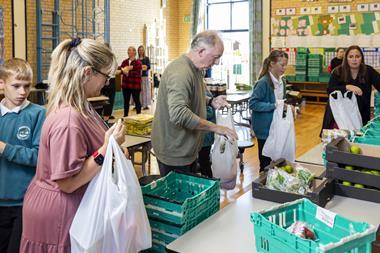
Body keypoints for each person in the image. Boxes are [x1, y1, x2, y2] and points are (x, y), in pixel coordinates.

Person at [20, 38, 126, 252]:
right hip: (58, 213)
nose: (107, 83)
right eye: (106, 76)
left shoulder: (83, 106)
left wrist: (114, 150)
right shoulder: (68, 120)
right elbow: (67, 183)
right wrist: (105, 151)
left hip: (70, 206)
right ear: (88, 72)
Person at [151, 30, 237, 176]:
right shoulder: (180, 72)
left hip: (187, 148)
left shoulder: (196, 69)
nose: (216, 62)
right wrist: (215, 128)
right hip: (175, 152)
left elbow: (192, 96)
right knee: (179, 197)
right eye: (216, 57)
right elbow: (179, 114)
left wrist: (211, 101)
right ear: (201, 51)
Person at [0, 58, 45, 253]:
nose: (22, 92)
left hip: (24, 202)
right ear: (1, 84)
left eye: (26, 86)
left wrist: (4, 149)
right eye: (16, 86)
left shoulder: (38, 114)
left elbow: (39, 157)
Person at [321, 45, 380, 130]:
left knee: (358, 140)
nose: (354, 59)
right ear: (346, 58)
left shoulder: (368, 71)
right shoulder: (338, 71)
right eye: (351, 57)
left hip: (361, 114)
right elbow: (330, 90)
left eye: (357, 56)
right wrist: (347, 87)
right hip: (340, 116)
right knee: (340, 141)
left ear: (361, 58)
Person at [249, 50, 289, 172]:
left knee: (277, 159)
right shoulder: (263, 83)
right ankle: (262, 188)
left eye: (285, 65)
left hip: (277, 125)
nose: (284, 68)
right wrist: (273, 105)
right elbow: (253, 104)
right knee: (265, 162)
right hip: (264, 129)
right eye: (282, 65)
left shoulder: (282, 81)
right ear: (272, 64)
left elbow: (280, 101)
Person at [197, 89, 216, 178]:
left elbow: (209, 112)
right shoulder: (201, 90)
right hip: (203, 135)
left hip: (205, 136)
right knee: (203, 162)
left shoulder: (203, 92)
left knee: (204, 162)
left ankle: (209, 183)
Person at [120, 46, 142, 117]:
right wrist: (125, 70)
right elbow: (121, 70)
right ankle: (125, 116)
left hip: (135, 85)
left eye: (130, 50)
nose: (128, 51)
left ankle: (139, 116)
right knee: (126, 102)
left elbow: (137, 73)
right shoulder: (124, 61)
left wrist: (127, 72)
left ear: (134, 52)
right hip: (126, 85)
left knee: (137, 101)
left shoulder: (138, 62)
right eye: (128, 50)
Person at [99, 42, 116, 122]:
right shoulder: (101, 58)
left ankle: (105, 120)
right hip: (103, 80)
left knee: (108, 101)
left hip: (109, 80)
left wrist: (107, 78)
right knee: (101, 101)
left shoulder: (112, 58)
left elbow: (113, 69)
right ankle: (102, 119)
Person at [138, 45, 151, 110]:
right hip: (138, 77)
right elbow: (137, 68)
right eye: (139, 50)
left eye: (142, 50)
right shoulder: (137, 59)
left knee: (145, 91)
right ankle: (138, 104)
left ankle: (145, 105)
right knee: (139, 91)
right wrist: (142, 67)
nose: (141, 51)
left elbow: (148, 67)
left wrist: (143, 67)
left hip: (144, 76)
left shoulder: (146, 58)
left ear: (144, 51)